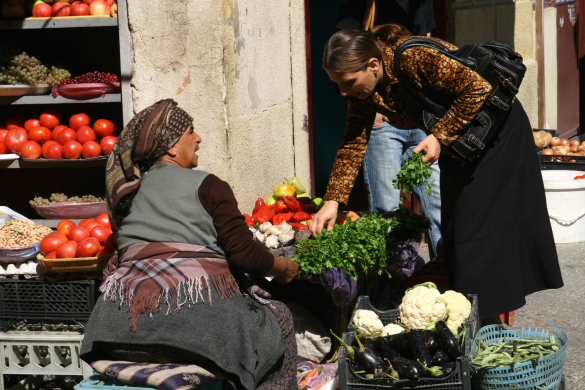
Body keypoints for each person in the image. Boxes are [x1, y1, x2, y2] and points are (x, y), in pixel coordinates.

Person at [310, 25, 564, 323]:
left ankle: (486, 326)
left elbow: (478, 88)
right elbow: (353, 142)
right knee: (456, 234)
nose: (343, 92)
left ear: (373, 65)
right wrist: (333, 201)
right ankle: (480, 322)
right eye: (337, 85)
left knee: (476, 233)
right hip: (462, 145)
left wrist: (439, 137)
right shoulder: (362, 94)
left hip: (496, 136)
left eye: (348, 82)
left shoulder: (413, 57)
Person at [80, 99, 299, 390]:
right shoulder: (209, 184)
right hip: (191, 340)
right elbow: (245, 255)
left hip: (114, 335)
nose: (199, 138)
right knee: (279, 317)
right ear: (171, 147)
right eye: (191, 131)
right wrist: (284, 267)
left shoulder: (126, 193)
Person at [337, 0, 442, 259]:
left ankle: (448, 272)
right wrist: (371, 110)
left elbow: (424, 45)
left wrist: (435, 126)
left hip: (420, 122)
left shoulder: (416, 5)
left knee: (438, 204)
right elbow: (345, 68)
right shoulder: (358, 8)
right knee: (386, 209)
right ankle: (394, 280)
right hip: (384, 125)